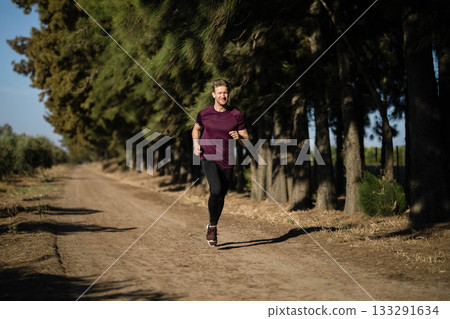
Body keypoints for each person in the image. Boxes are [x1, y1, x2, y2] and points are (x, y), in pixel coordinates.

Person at [192, 79, 249, 247]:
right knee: (215, 189)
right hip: (208, 155)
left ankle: (212, 224)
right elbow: (196, 129)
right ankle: (213, 227)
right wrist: (196, 144)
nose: (223, 95)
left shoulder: (236, 114)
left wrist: (239, 138)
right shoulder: (204, 114)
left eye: (225, 92)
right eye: (220, 93)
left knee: (221, 195)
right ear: (213, 95)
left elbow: (246, 141)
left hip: (228, 158)